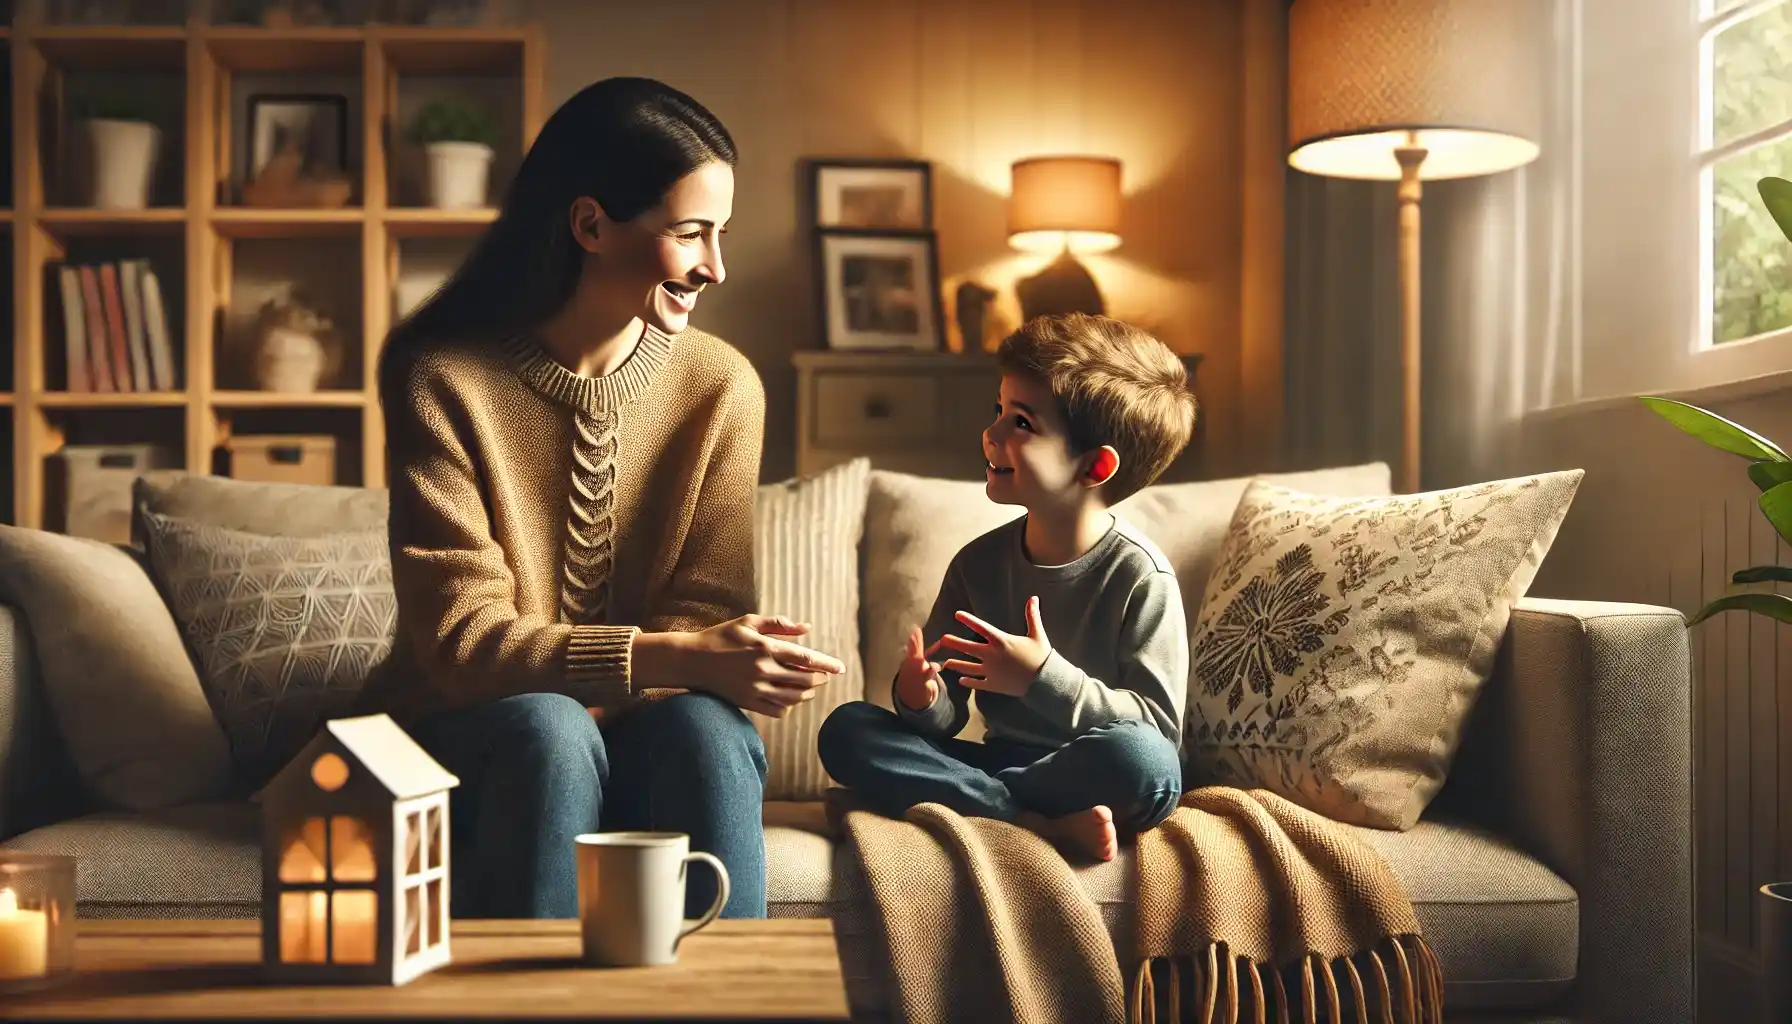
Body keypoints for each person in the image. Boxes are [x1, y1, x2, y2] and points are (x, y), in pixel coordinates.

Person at [352, 77, 845, 922]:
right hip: (474, 737)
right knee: (551, 731)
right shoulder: (442, 374)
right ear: (590, 226)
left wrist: (709, 662)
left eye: (720, 234)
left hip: (646, 738)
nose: (715, 267)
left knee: (708, 734)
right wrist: (677, 657)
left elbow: (704, 619)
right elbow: (461, 643)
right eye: (691, 234)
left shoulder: (721, 386)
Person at [817, 313, 1197, 863]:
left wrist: (1042, 678)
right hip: (995, 766)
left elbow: (1158, 730)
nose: (991, 434)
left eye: (1021, 423)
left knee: (1148, 764)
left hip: (1089, 769)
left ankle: (979, 808)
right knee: (849, 729)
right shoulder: (979, 565)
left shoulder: (1141, 577)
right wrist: (922, 699)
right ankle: (1029, 822)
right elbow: (949, 714)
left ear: (1094, 466)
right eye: (999, 411)